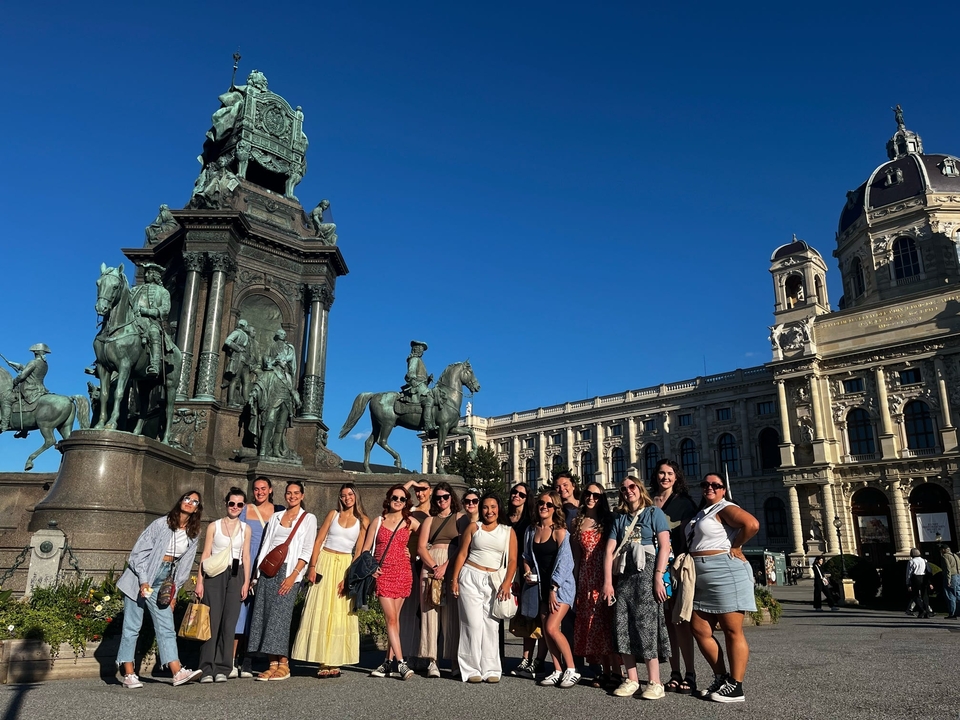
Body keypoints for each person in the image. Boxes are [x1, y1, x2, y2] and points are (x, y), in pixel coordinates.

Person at [116, 491, 204, 689]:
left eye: (194, 501)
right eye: (187, 499)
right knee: (132, 626)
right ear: (180, 501)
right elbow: (137, 555)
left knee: (166, 626)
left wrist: (173, 592)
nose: (190, 503)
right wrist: (143, 581)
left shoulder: (193, 532)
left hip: (163, 580)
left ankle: (177, 672)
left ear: (197, 508)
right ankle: (129, 674)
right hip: (139, 577)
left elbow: (185, 565)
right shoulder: (161, 524)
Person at [688, 472, 760, 704]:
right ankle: (721, 677)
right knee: (699, 629)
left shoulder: (724, 507)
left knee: (732, 630)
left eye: (715, 485)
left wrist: (737, 545)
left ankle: (736, 686)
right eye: (705, 484)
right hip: (701, 575)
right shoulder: (702, 512)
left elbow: (752, 524)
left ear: (723, 490)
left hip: (724, 571)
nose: (710, 488)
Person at [602, 476, 671, 700]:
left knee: (646, 625)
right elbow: (609, 551)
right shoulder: (620, 519)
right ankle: (631, 678)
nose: (627, 491)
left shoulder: (654, 513)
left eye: (632, 487)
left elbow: (664, 546)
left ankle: (655, 681)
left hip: (647, 572)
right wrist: (608, 583)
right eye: (623, 489)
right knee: (622, 625)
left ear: (640, 489)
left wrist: (658, 577)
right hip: (624, 574)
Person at [292, 483, 370, 677]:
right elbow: (318, 540)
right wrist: (312, 566)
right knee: (320, 608)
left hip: (344, 564)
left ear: (356, 496)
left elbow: (358, 552)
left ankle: (333, 660)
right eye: (343, 495)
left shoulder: (363, 520)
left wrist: (349, 577)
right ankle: (321, 661)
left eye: (350, 494)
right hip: (325, 561)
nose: (347, 498)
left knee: (339, 612)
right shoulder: (332, 514)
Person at [248, 481, 318, 681]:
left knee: (280, 618)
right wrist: (258, 574)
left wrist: (294, 576)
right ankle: (272, 663)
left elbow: (307, 549)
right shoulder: (276, 516)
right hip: (269, 570)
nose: (292, 496)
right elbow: (266, 544)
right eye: (289, 493)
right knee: (265, 615)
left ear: (302, 495)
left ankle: (284, 664)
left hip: (289, 571)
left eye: (296, 493)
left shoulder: (308, 518)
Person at [450, 493, 518, 683]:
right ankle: (471, 669)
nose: (489, 511)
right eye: (486, 507)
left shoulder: (507, 531)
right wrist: (454, 579)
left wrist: (507, 582)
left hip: (495, 580)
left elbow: (513, 560)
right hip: (471, 576)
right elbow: (462, 554)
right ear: (481, 509)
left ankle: (491, 669)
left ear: (499, 509)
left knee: (491, 625)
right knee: (472, 624)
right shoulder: (474, 527)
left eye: (493, 507)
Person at [361, 484, 422, 680]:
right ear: (389, 499)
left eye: (402, 499)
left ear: (407, 502)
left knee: (394, 620)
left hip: (403, 572)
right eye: (395, 497)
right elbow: (365, 548)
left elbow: (427, 541)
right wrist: (372, 567)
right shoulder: (378, 521)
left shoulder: (410, 522)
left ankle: (387, 663)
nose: (398, 501)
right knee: (392, 620)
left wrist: (413, 553)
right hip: (383, 573)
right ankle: (401, 663)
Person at [649, 459, 699, 694]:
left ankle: (690, 673)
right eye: (661, 473)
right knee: (667, 623)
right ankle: (675, 672)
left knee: (680, 622)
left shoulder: (685, 504)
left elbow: (694, 536)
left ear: (676, 477)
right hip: (652, 567)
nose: (665, 477)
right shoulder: (649, 502)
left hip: (675, 567)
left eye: (670, 473)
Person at [522, 490, 579, 688]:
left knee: (551, 628)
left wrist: (554, 588)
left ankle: (571, 669)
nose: (543, 507)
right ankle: (557, 670)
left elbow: (566, 563)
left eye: (548, 504)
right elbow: (526, 556)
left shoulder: (560, 531)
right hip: (540, 588)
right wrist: (527, 572)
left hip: (560, 588)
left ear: (555, 508)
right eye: (541, 503)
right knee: (546, 632)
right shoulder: (531, 530)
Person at [195, 488, 253, 682]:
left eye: (239, 504)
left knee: (229, 623)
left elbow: (246, 556)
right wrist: (200, 582)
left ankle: (223, 667)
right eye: (232, 503)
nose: (235, 507)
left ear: (243, 506)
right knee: (212, 621)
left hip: (236, 576)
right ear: (226, 504)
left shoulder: (246, 529)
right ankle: (206, 667)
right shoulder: (215, 526)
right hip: (214, 575)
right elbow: (205, 554)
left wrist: (246, 582)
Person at [234, 477, 282, 677]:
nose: (260, 492)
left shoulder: (278, 512)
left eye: (263, 488)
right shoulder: (245, 509)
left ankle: (248, 658)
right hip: (247, 561)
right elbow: (237, 535)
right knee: (241, 610)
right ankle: (232, 657)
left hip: (266, 564)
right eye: (256, 489)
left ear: (270, 490)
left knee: (258, 612)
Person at [572, 482, 616, 688]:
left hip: (604, 575)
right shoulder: (578, 521)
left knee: (606, 622)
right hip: (586, 576)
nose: (591, 498)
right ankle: (602, 669)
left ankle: (615, 670)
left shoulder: (608, 520)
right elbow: (576, 555)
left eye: (596, 496)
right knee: (592, 623)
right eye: (588, 494)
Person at [417, 482, 462, 678]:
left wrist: (446, 566)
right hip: (431, 563)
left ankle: (453, 659)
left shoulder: (460, 518)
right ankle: (431, 660)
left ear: (452, 497)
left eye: (445, 496)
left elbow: (463, 545)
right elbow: (420, 547)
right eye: (438, 498)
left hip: (451, 564)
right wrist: (435, 567)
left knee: (451, 615)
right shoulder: (430, 520)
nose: (442, 500)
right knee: (430, 613)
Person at [504, 483, 542, 679]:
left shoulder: (530, 521)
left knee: (527, 613)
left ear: (527, 498)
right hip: (504, 570)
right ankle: (496, 655)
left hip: (524, 569)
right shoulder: (504, 518)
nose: (516, 496)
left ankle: (527, 658)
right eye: (514, 493)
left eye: (521, 494)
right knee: (502, 611)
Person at [444, 488, 480, 678]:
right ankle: (466, 665)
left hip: (486, 575)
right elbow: (462, 552)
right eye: (467, 501)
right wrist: (455, 578)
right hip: (467, 574)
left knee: (486, 623)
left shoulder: (486, 522)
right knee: (468, 621)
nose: (471, 504)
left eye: (474, 501)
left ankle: (484, 662)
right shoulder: (463, 521)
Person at [130, 263, 171, 376]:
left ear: (155, 275)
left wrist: (147, 311)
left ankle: (154, 365)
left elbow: (165, 310)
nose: (146, 275)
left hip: (152, 321)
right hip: (134, 319)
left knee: (154, 333)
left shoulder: (163, 292)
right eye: (145, 272)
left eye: (149, 273)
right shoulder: (135, 290)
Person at [0, 343, 51, 433]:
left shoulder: (33, 362)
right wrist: (16, 365)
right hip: (40, 389)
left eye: (34, 352)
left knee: (6, 400)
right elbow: (29, 369)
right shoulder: (44, 364)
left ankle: (4, 425)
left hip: (29, 389)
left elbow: (23, 376)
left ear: (36, 352)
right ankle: (24, 430)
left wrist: (14, 382)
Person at [404, 340, 436, 432]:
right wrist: (413, 379)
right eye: (421, 349)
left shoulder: (420, 360)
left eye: (422, 349)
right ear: (416, 349)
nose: (422, 351)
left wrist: (428, 379)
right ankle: (427, 424)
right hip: (417, 386)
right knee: (429, 399)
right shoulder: (414, 359)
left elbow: (421, 377)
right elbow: (411, 372)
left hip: (422, 385)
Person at [906, 548, 934, 619]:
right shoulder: (924, 560)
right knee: (925, 596)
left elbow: (909, 573)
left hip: (915, 578)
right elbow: (928, 571)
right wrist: (929, 582)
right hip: (924, 578)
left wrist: (908, 583)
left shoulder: (911, 561)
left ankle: (922, 610)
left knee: (915, 595)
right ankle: (927, 611)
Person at [940, 544, 960, 620]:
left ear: (944, 550)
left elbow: (948, 569)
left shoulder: (945, 556)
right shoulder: (955, 555)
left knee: (950, 595)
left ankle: (952, 613)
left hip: (951, 576)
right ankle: (957, 612)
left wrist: (948, 580)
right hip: (958, 575)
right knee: (958, 594)